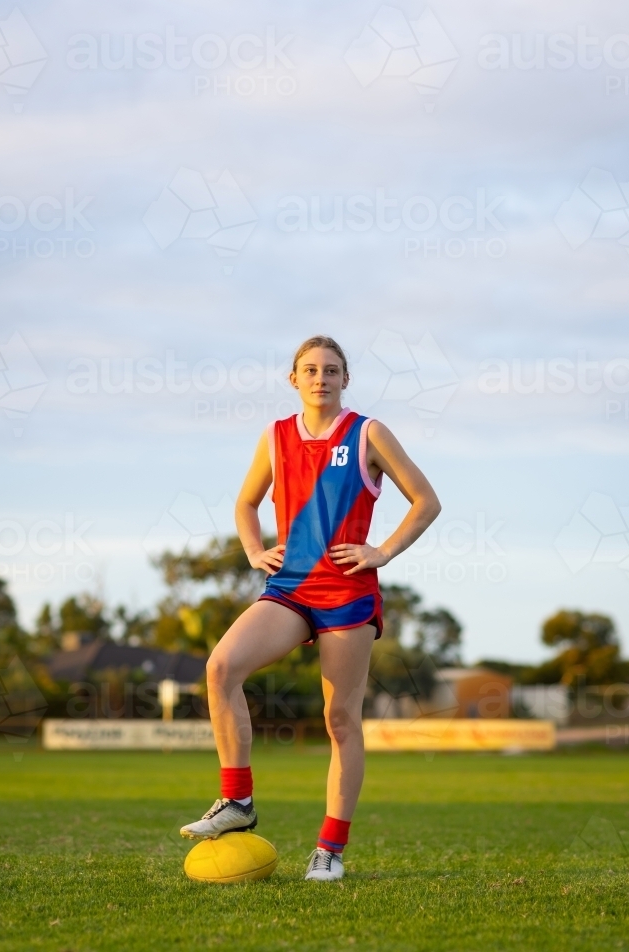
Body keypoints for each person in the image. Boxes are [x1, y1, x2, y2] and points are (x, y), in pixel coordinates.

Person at [180, 335, 441, 880]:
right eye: (310, 370)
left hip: (348, 592)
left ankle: (329, 851)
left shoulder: (368, 433)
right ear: (293, 379)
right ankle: (237, 802)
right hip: (291, 589)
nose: (320, 378)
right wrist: (255, 550)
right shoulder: (275, 437)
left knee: (340, 719)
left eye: (331, 370)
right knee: (222, 668)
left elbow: (426, 501)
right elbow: (246, 502)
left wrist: (382, 552)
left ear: (346, 379)